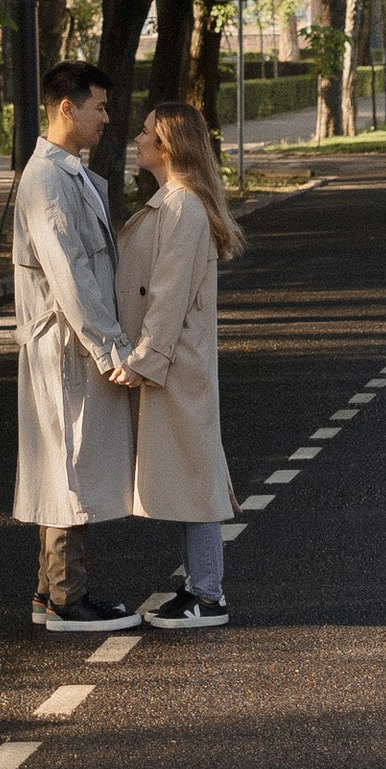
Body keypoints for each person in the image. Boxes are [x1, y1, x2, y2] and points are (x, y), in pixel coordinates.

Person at [12, 60, 140, 633]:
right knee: (69, 468)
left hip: (68, 344)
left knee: (66, 464)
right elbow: (71, 278)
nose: (107, 119)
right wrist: (109, 347)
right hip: (65, 346)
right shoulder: (47, 180)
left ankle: (49, 592)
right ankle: (68, 598)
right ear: (68, 107)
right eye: (100, 107)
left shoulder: (69, 173)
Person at [116, 95, 243, 631]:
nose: (137, 140)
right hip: (173, 363)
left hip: (177, 366)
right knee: (191, 473)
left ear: (167, 145)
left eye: (146, 133)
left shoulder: (184, 207)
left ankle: (208, 595)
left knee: (197, 477)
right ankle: (198, 588)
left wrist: (145, 360)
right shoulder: (174, 201)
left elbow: (167, 295)